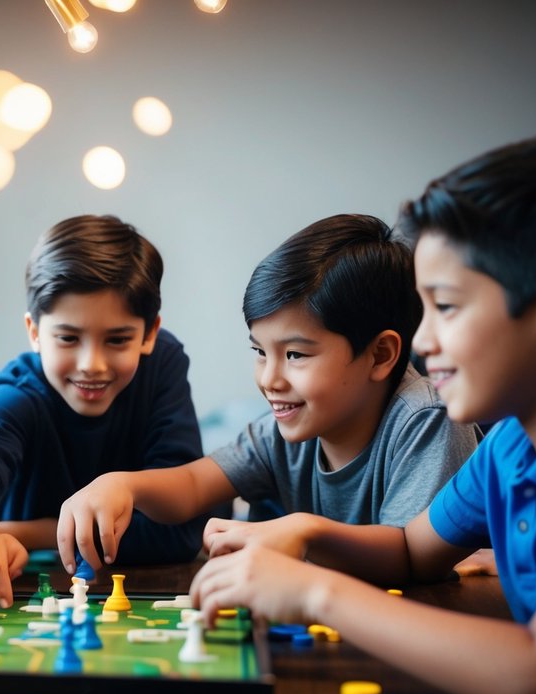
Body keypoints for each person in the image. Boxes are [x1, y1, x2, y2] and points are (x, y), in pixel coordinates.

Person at [191, 130, 536, 694]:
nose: (423, 341)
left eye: (448, 307)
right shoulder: (510, 445)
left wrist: (312, 592)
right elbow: (412, 550)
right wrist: (305, 531)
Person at [58, 214, 480, 583]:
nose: (269, 379)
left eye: (295, 354)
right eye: (260, 352)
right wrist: (123, 484)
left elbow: (410, 553)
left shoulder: (426, 418)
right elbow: (191, 485)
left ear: (380, 354)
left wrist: (302, 531)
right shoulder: (283, 430)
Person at [0, 215, 209, 610]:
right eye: (68, 338)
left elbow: (181, 532)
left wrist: (25, 533)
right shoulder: (21, 391)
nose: (91, 363)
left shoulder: (163, 366)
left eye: (117, 339)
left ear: (149, 334)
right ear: (35, 332)